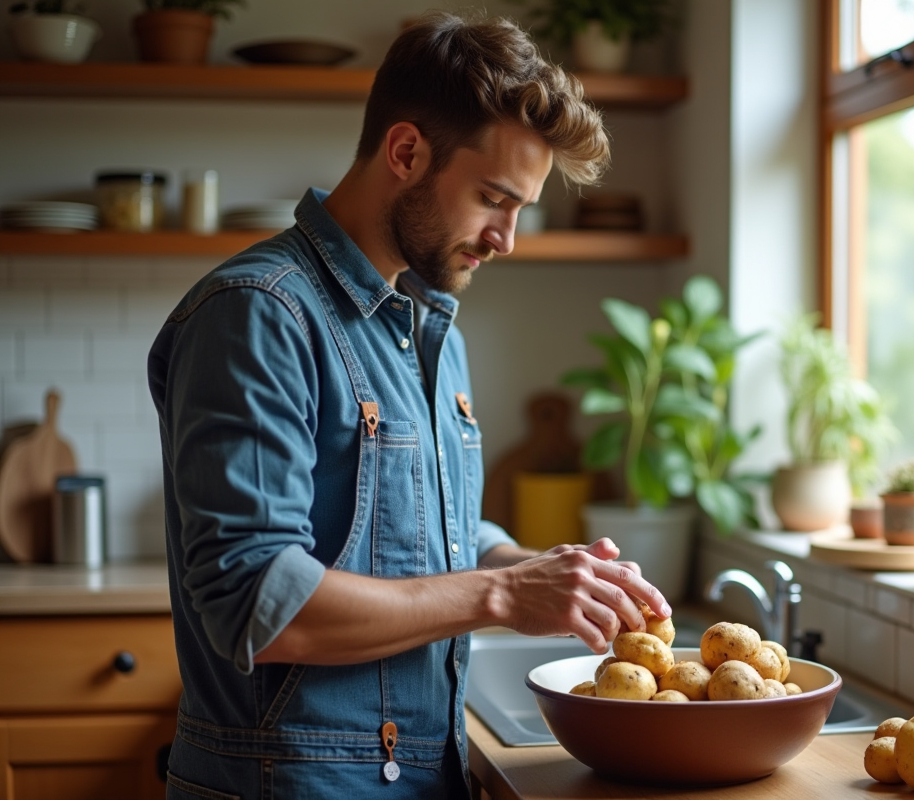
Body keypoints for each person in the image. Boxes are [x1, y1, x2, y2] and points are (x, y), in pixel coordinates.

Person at [148, 11, 670, 799]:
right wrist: (502, 594)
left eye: (521, 209)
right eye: (493, 198)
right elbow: (257, 601)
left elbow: (428, 532)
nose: (507, 239)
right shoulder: (258, 312)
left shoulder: (428, 329)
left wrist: (538, 570)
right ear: (405, 152)